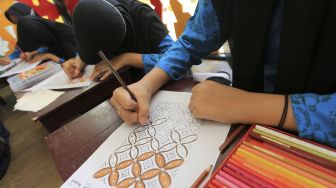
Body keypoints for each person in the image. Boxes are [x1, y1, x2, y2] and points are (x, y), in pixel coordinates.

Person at [110, 0, 336, 148]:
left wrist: (251, 105)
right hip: (245, 133)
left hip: (316, 148)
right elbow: (192, 41)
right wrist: (146, 85)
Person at [62, 0, 173, 81]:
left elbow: (175, 59)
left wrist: (126, 58)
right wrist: (81, 57)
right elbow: (92, 41)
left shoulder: (142, 14)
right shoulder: (90, 20)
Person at [3, 3, 77, 64]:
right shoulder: (27, 36)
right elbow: (19, 51)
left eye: (22, 22)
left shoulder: (63, 32)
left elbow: (74, 61)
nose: (21, 28)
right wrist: (14, 57)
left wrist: (45, 55)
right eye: (17, 24)